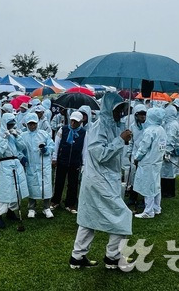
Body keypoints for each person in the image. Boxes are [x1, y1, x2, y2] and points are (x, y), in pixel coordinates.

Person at [70, 92, 133, 271]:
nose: (120, 113)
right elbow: (100, 154)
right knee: (122, 216)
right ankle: (112, 256)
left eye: (122, 109)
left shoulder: (114, 125)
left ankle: (77, 256)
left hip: (107, 178)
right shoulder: (99, 126)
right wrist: (120, 140)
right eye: (117, 109)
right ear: (108, 108)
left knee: (89, 217)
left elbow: (114, 152)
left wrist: (123, 140)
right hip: (99, 179)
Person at [0, 113, 29, 228]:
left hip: (15, 163)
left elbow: (22, 147)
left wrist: (17, 136)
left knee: (16, 188)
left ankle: (11, 211)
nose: (10, 126)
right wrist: (4, 138)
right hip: (4, 164)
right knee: (4, 190)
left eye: (12, 124)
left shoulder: (14, 133)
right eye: (9, 124)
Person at [133, 107, 167, 219]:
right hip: (157, 161)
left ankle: (148, 211)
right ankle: (157, 208)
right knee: (156, 186)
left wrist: (136, 157)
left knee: (148, 186)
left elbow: (143, 147)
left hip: (148, 162)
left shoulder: (149, 131)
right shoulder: (161, 129)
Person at [19, 114, 55, 218]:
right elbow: (19, 149)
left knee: (46, 185)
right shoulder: (23, 136)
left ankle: (46, 207)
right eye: (30, 124)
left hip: (43, 164)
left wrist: (46, 149)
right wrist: (22, 157)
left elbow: (51, 146)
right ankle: (31, 208)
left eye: (34, 124)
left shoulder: (43, 134)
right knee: (31, 185)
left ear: (37, 123)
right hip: (31, 165)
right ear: (27, 124)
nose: (32, 126)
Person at [51, 111, 85, 214]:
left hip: (75, 161)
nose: (73, 123)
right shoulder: (63, 129)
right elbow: (56, 143)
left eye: (76, 122)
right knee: (59, 181)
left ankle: (70, 203)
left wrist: (84, 163)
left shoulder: (83, 132)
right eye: (72, 121)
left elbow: (84, 148)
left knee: (73, 183)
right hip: (63, 159)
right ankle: (55, 200)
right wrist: (54, 158)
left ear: (80, 122)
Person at [160, 105, 179, 198]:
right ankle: (167, 191)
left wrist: (167, 152)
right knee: (168, 172)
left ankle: (168, 192)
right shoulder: (173, 123)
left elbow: (171, 139)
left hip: (171, 152)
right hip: (173, 151)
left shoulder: (172, 125)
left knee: (168, 172)